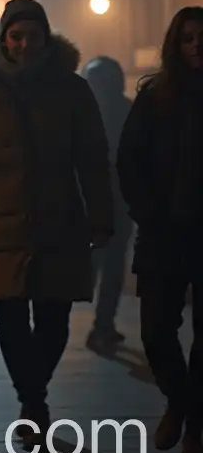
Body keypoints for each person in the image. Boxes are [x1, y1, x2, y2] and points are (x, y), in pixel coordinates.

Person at [0, 0, 113, 437]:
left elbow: (94, 159)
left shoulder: (72, 90)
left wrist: (101, 217)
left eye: (32, 36)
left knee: (54, 318)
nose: (23, 44)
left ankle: (33, 395)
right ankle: (33, 403)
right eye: (15, 36)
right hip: (0, 222)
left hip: (60, 220)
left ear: (45, 37)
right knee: (11, 320)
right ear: (4, 39)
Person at [117, 6, 203, 453]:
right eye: (188, 38)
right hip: (164, 233)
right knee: (155, 333)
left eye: (201, 37)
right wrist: (148, 213)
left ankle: (196, 430)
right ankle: (181, 402)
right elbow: (129, 161)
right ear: (176, 44)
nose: (196, 46)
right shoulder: (156, 97)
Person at [82, 57, 134, 353]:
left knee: (105, 269)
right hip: (107, 205)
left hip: (109, 205)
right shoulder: (125, 111)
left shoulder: (83, 112)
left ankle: (102, 325)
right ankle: (103, 325)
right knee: (104, 269)